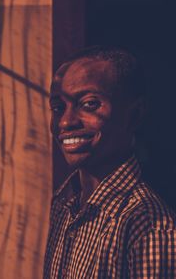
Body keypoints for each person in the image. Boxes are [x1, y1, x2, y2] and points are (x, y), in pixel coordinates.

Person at [43, 46, 176, 278]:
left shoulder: (148, 225)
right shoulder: (64, 203)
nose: (65, 122)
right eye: (58, 107)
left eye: (89, 104)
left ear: (134, 115)